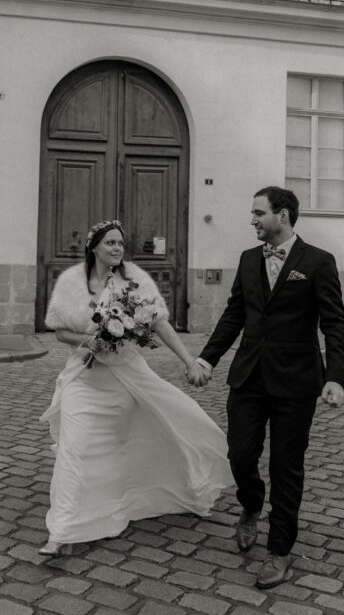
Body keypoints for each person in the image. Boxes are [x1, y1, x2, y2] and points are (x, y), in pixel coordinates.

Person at [38, 218, 232, 555]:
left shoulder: (135, 279)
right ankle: (62, 532)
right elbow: (60, 332)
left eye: (120, 244)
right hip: (84, 377)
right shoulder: (71, 281)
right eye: (110, 243)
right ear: (94, 246)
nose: (116, 249)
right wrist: (90, 340)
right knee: (74, 448)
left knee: (123, 444)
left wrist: (189, 361)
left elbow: (160, 324)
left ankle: (115, 504)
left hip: (125, 376)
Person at [190, 186, 344, 590]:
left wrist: (335, 376)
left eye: (259, 213)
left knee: (286, 466)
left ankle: (280, 550)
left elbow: (333, 322)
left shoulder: (318, 262)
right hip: (248, 376)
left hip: (296, 381)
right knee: (240, 454)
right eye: (252, 214)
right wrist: (208, 357)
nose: (253, 220)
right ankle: (251, 505)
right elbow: (234, 315)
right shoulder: (247, 260)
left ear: (283, 215)